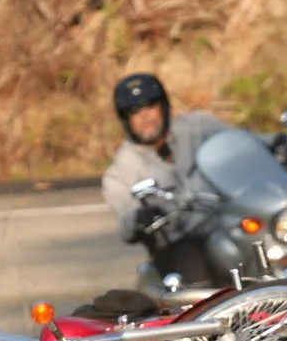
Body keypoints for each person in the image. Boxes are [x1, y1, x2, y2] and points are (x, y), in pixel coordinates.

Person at [99, 72, 234, 286]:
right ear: (125, 120)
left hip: (230, 222)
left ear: (164, 106)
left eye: (150, 105)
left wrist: (278, 142)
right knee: (199, 280)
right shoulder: (121, 171)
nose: (145, 115)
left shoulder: (199, 127)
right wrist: (138, 218)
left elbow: (240, 142)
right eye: (134, 111)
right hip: (180, 244)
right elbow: (125, 217)